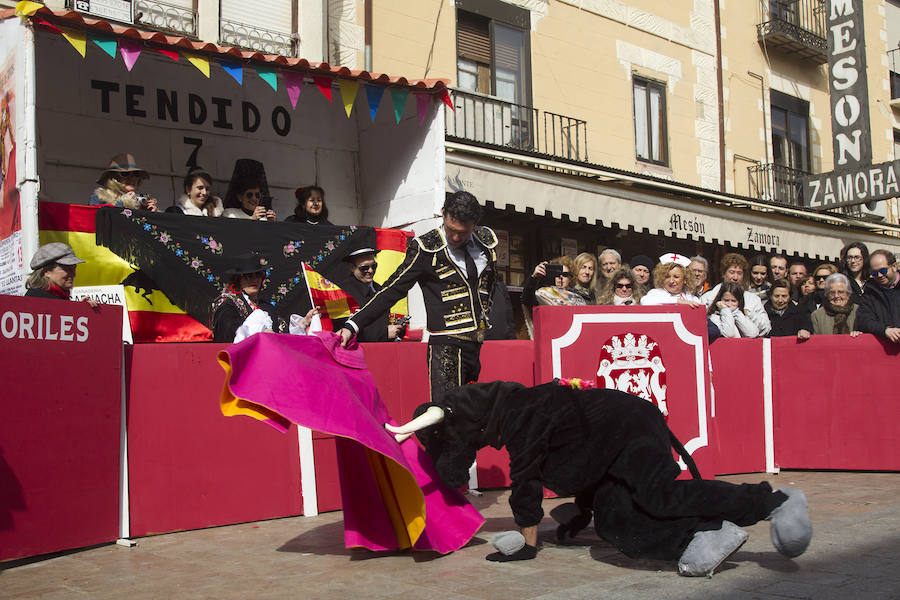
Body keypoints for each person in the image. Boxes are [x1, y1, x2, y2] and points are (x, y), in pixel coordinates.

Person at [385, 380, 812, 575]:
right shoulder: (520, 408)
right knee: (615, 524)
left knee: (658, 496)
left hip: (630, 428)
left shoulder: (520, 414)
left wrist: (529, 544)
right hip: (608, 449)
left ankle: (772, 501)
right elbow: (580, 454)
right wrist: (581, 513)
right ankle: (703, 536)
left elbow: (526, 480)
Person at [339, 191, 497, 402]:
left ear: (474, 224)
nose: (455, 237)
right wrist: (352, 325)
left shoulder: (486, 242)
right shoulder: (426, 247)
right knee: (445, 411)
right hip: (446, 346)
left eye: (463, 232)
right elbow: (393, 289)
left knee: (472, 411)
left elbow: (490, 287)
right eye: (451, 230)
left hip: (477, 344)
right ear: (443, 213)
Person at [337, 247, 403, 342]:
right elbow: (343, 330)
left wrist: (397, 327)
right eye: (364, 268)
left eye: (374, 266)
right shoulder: (342, 292)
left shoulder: (379, 288)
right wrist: (383, 333)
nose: (371, 271)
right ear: (352, 267)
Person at [212, 254, 282, 343]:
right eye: (248, 276)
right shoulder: (228, 304)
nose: (254, 280)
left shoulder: (267, 308)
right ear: (238, 279)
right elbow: (229, 326)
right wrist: (261, 331)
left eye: (258, 275)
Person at [701, 253, 771, 336]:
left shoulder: (753, 299)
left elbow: (766, 328)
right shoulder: (708, 297)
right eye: (732, 272)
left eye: (739, 273)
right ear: (723, 273)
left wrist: (749, 314)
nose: (735, 277)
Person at [856, 249, 900, 343]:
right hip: (882, 346)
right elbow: (864, 320)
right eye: (874, 273)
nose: (879, 275)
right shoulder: (869, 292)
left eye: (883, 270)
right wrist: (885, 330)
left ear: (894, 266)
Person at [88, 153, 158, 211]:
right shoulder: (100, 198)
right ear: (114, 178)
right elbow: (95, 220)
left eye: (136, 174)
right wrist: (122, 203)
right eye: (125, 174)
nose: (132, 178)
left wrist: (149, 213)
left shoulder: (139, 201)